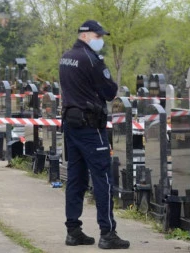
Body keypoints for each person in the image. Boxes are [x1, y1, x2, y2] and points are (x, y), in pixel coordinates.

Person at [59, 20, 130, 249]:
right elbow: (110, 92)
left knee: (76, 178)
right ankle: (107, 233)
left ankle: (73, 230)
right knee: (103, 178)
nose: (101, 40)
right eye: (98, 36)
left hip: (71, 123)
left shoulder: (66, 56)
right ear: (86, 35)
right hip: (90, 127)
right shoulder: (91, 59)